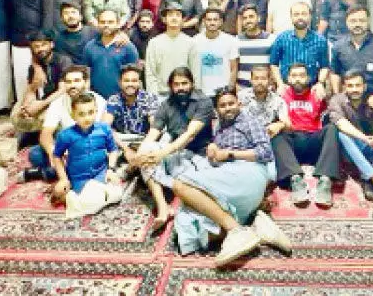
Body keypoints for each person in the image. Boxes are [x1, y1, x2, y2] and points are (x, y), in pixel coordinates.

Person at [172, 87, 291, 266]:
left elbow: (265, 153)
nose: (228, 108)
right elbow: (218, 158)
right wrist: (213, 150)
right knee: (188, 231)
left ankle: (236, 230)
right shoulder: (219, 127)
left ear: (239, 104)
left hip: (250, 172)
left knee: (180, 185)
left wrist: (229, 154)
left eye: (231, 103)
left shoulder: (250, 121)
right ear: (217, 110)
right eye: (223, 105)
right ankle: (258, 229)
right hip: (230, 176)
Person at [135, 67, 214, 233]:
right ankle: (163, 208)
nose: (181, 88)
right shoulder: (167, 104)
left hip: (198, 155)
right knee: (147, 152)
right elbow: (153, 132)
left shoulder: (204, 102)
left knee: (203, 188)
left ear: (192, 83)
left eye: (184, 83)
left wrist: (160, 154)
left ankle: (169, 184)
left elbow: (190, 135)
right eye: (176, 84)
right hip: (174, 153)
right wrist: (140, 154)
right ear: (171, 86)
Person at [17, 64, 108, 183]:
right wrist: (53, 153)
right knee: (35, 154)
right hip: (66, 146)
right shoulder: (58, 103)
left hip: (90, 147)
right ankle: (63, 170)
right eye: (68, 82)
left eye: (77, 81)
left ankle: (44, 173)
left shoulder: (98, 101)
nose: (72, 85)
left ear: (86, 83)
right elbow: (45, 134)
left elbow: (101, 135)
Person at [327, 70, 373, 210]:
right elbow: (341, 124)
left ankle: (369, 174)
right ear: (344, 87)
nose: (354, 89)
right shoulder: (336, 100)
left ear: (364, 86)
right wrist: (367, 139)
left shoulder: (372, 99)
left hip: (372, 148)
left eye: (358, 85)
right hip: (350, 150)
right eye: (350, 86)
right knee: (341, 134)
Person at [272, 63, 339, 207]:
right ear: (288, 78)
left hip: (313, 141)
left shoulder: (317, 93)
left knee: (331, 129)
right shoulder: (281, 95)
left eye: (302, 76)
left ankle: (325, 180)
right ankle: (295, 180)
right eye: (294, 76)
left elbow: (333, 102)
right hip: (292, 144)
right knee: (277, 135)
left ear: (308, 78)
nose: (298, 79)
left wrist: (323, 86)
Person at [51, 92, 121, 214]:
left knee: (118, 194)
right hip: (79, 178)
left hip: (101, 173)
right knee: (92, 201)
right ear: (73, 115)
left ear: (96, 111)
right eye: (81, 114)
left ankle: (79, 198)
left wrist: (111, 170)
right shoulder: (65, 135)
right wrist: (63, 179)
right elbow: (57, 156)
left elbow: (113, 150)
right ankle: (69, 196)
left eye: (91, 112)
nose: (87, 118)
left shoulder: (104, 129)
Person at [6, 0, 55, 103]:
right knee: (21, 78)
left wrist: (42, 42)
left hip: (39, 44)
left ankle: (40, 107)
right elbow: (9, 16)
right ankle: (25, 106)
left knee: (40, 78)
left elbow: (48, 16)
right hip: (18, 43)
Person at [11, 31, 75, 135]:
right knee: (17, 113)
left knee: (46, 117)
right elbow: (31, 90)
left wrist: (39, 106)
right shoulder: (34, 67)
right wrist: (26, 107)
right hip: (45, 99)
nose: (40, 49)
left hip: (61, 99)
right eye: (36, 46)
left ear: (51, 44)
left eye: (44, 45)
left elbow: (63, 90)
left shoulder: (63, 61)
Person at [105, 65, 160, 172]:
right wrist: (126, 148)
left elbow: (155, 127)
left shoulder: (149, 98)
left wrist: (141, 150)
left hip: (144, 141)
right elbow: (105, 126)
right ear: (120, 83)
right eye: (126, 81)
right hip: (121, 142)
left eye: (134, 81)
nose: (130, 84)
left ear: (139, 83)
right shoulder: (114, 99)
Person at [269, 2, 330, 97]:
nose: (300, 17)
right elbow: (274, 64)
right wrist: (280, 84)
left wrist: (320, 83)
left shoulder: (320, 40)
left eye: (304, 14)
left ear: (310, 16)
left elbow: (324, 66)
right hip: (286, 90)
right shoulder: (282, 38)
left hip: (312, 91)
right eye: (296, 14)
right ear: (291, 17)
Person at [145, 2, 201, 97]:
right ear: (164, 19)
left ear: (183, 19)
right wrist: (154, 96)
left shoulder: (191, 43)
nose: (174, 18)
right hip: (161, 94)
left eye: (178, 15)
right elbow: (150, 73)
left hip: (184, 94)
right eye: (170, 15)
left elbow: (196, 73)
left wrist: (194, 96)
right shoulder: (154, 43)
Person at [82, 10, 139, 98]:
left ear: (118, 24)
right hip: (96, 98)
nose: (106, 25)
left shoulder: (128, 47)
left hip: (121, 99)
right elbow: (86, 73)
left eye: (110, 22)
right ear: (98, 24)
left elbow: (134, 76)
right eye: (102, 22)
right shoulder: (89, 46)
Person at [193, 8, 238, 96]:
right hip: (201, 92)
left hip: (223, 92)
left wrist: (229, 89)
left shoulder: (231, 40)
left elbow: (234, 68)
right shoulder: (195, 41)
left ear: (221, 22)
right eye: (209, 20)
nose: (212, 22)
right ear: (204, 21)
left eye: (215, 19)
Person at [238, 65, 289, 135]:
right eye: (256, 78)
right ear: (251, 80)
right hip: (245, 134)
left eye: (263, 78)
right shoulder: (241, 96)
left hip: (269, 135)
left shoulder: (277, 100)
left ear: (269, 81)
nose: (260, 82)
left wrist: (280, 124)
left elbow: (288, 124)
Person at [235, 5, 275, 89]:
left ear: (259, 18)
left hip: (265, 89)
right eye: (245, 18)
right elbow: (233, 67)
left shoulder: (271, 39)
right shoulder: (236, 40)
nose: (248, 20)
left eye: (251, 17)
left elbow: (275, 66)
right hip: (242, 89)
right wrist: (237, 87)